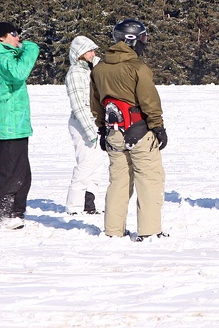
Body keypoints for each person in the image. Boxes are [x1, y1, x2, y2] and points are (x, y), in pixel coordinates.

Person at [90, 19, 169, 241]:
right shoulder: (137, 68)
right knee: (149, 179)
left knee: (119, 181)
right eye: (143, 38)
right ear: (131, 40)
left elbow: (96, 103)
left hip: (112, 131)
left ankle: (113, 230)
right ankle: (150, 231)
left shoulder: (99, 68)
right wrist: (158, 126)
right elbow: (149, 100)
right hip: (139, 130)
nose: (145, 42)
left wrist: (102, 130)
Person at [0, 21, 40, 230]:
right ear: (1, 38)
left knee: (22, 171)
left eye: (19, 34)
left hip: (17, 122)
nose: (19, 38)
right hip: (7, 124)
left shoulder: (8, 57)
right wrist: (31, 49)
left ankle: (16, 212)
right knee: (9, 169)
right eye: (14, 34)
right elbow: (18, 74)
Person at [65, 35, 108, 215]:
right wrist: (90, 130)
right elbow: (78, 104)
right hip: (81, 124)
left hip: (96, 122)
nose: (93, 53)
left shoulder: (93, 69)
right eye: (89, 50)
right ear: (80, 54)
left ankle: (89, 204)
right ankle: (73, 206)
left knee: (96, 165)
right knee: (85, 164)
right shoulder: (75, 73)